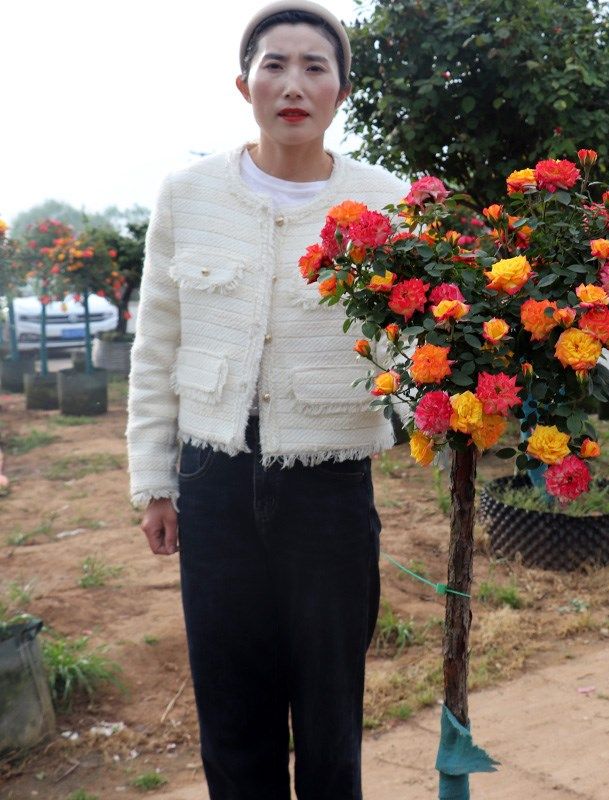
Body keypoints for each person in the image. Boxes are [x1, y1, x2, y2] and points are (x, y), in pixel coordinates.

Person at [125, 3, 408, 797]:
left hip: (329, 484)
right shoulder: (188, 195)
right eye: (274, 65)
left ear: (341, 91)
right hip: (212, 479)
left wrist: (450, 411)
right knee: (233, 713)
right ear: (243, 83)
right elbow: (158, 345)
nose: (293, 84)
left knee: (329, 717)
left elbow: (414, 342)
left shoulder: (384, 200)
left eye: (315, 67)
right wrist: (154, 482)